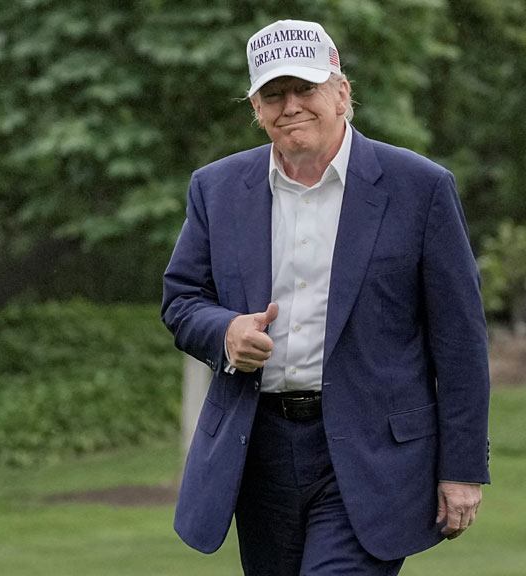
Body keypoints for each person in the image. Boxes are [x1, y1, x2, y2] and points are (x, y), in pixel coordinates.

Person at [161, 19, 491, 575]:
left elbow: (459, 340)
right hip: (256, 452)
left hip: (372, 456)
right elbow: (182, 300)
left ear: (341, 93)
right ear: (257, 110)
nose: (291, 106)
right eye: (273, 94)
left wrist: (462, 468)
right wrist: (226, 332)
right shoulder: (215, 189)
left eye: (305, 89)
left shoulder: (420, 188)